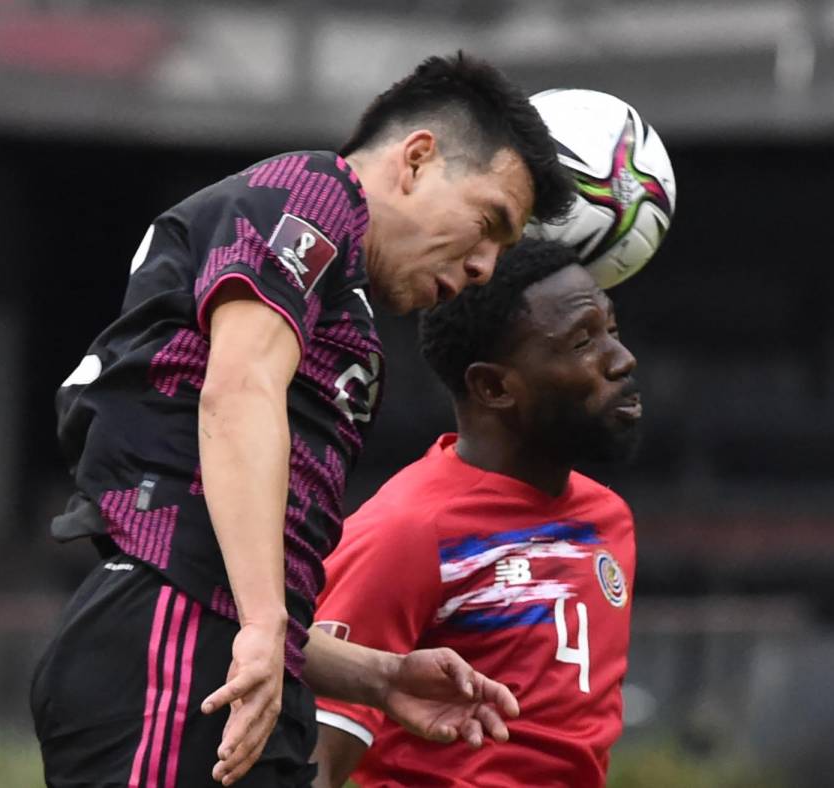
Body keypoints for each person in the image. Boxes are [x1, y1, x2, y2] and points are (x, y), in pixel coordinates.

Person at [31, 53, 574, 788]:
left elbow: (244, 580)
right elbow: (238, 389)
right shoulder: (315, 190)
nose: (484, 266)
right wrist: (259, 628)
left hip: (223, 658)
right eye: (488, 224)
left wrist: (379, 677)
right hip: (174, 650)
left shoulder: (345, 315)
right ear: (417, 160)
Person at [310, 238, 641, 788]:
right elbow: (317, 752)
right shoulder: (408, 530)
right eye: (583, 340)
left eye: (612, 329)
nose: (621, 359)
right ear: (493, 386)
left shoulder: (609, 519)